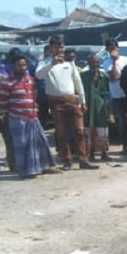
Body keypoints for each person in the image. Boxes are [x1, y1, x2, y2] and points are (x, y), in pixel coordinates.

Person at [36, 35, 98, 171]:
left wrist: (83, 101)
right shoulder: (44, 63)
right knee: (61, 133)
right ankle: (67, 160)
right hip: (55, 102)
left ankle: (83, 159)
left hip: (72, 100)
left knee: (80, 131)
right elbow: (39, 75)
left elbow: (78, 83)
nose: (59, 50)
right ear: (51, 48)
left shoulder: (69, 63)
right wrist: (52, 63)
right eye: (56, 47)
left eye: (61, 47)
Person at [0, 55, 60, 179]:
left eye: (24, 65)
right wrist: (5, 116)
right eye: (19, 65)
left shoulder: (30, 80)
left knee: (40, 142)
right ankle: (27, 171)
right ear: (13, 67)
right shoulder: (7, 82)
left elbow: (34, 97)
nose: (22, 68)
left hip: (32, 117)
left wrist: (35, 110)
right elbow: (3, 103)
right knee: (22, 145)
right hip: (17, 118)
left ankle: (44, 167)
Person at [102, 38, 127, 155]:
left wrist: (122, 75)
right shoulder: (106, 62)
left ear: (117, 48)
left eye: (114, 48)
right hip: (116, 96)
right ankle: (125, 145)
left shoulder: (126, 60)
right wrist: (114, 62)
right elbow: (113, 77)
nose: (113, 51)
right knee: (120, 122)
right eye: (110, 49)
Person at [80, 54, 112, 161]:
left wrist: (110, 112)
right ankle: (91, 153)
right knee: (89, 130)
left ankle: (104, 153)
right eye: (92, 63)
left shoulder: (105, 77)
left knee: (102, 130)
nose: (95, 65)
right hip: (88, 107)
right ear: (88, 64)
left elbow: (108, 95)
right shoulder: (83, 76)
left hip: (101, 108)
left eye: (97, 63)